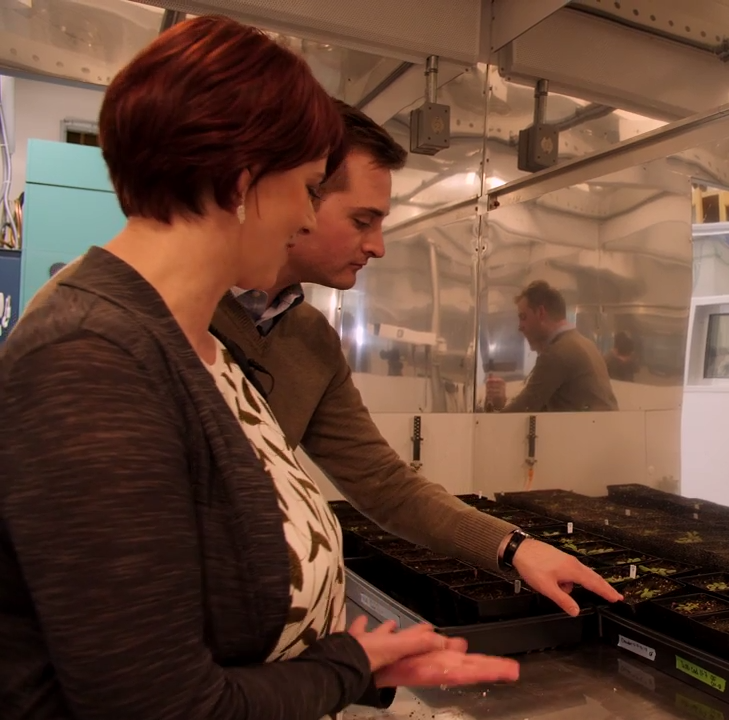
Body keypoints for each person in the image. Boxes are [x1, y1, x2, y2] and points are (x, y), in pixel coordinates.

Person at [0, 17, 518, 719]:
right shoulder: (90, 359)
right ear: (244, 182)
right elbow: (160, 707)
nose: (306, 224)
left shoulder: (192, 346)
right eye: (310, 189)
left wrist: (359, 667)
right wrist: (345, 665)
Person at [32, 102, 623, 616]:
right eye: (361, 219)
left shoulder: (308, 337)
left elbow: (386, 485)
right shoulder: (114, 318)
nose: (378, 246)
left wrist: (515, 548)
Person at [484, 280, 619, 412]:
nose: (520, 327)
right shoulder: (584, 343)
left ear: (541, 313)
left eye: (523, 317)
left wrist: (495, 407)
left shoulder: (557, 353)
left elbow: (520, 412)